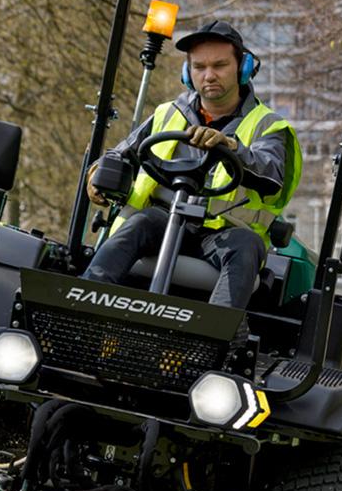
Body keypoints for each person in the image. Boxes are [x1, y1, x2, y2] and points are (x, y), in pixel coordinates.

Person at [81, 20, 301, 309]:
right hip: (164, 221)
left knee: (247, 246)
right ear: (188, 72)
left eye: (219, 65)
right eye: (199, 67)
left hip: (224, 234)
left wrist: (232, 148)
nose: (209, 75)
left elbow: (271, 176)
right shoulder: (167, 114)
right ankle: (85, 306)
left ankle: (218, 335)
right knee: (138, 224)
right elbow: (123, 155)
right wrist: (98, 171)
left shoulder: (268, 126)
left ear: (243, 68)